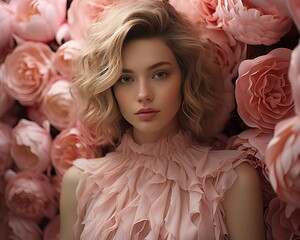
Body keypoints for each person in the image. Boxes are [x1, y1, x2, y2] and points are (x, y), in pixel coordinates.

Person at [60, 0, 266, 239]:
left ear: (185, 76)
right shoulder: (80, 184)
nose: (143, 94)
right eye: (126, 79)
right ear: (109, 87)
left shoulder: (232, 180)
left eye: (159, 74)